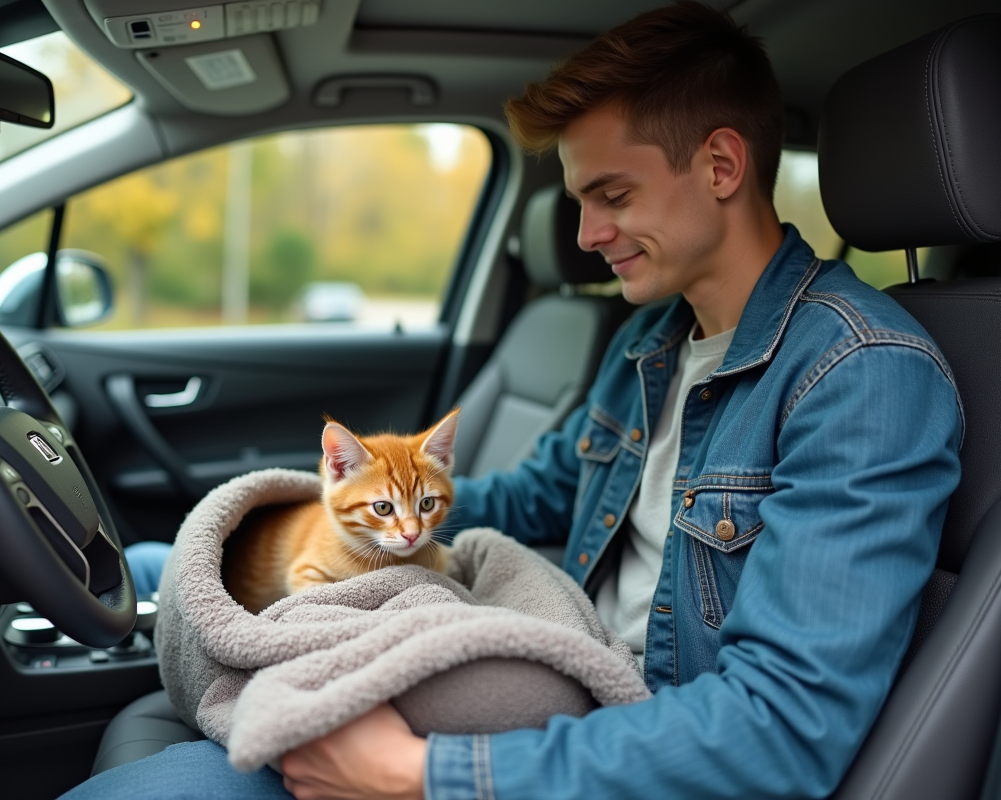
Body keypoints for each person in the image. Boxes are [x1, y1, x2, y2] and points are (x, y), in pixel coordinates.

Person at [72, 3, 962, 798]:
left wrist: (420, 777)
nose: (586, 234)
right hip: (554, 681)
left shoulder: (861, 375)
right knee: (161, 584)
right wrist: (329, 517)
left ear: (722, 164)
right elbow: (537, 496)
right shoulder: (650, 343)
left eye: (613, 195)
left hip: (625, 746)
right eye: (579, 200)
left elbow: (783, 728)